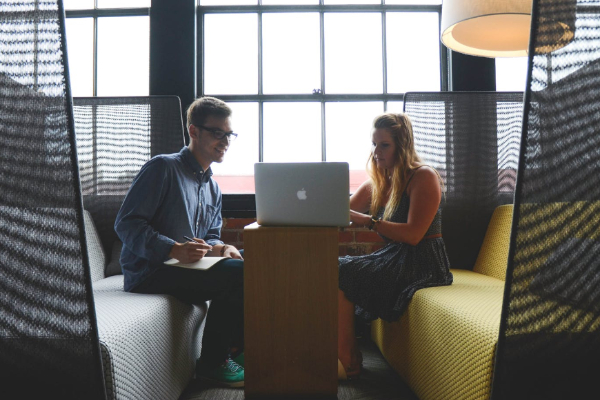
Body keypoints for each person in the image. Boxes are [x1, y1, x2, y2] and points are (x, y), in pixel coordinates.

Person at [114, 96, 245, 388]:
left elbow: (210, 236)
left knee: (252, 260)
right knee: (241, 274)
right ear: (194, 131)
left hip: (188, 268)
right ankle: (213, 364)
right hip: (151, 271)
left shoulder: (213, 186)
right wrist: (173, 249)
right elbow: (126, 223)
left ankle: (238, 349)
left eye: (229, 134)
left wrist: (222, 248)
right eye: (217, 133)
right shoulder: (162, 168)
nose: (225, 141)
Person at [337, 112, 453, 379]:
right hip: (394, 256)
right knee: (336, 268)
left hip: (423, 260)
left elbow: (414, 235)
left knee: (341, 271)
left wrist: (369, 221)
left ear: (402, 146)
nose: (376, 151)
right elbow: (340, 213)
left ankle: (348, 359)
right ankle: (348, 354)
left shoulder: (423, 176)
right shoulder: (378, 182)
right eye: (374, 144)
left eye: (384, 145)